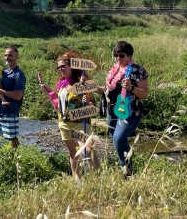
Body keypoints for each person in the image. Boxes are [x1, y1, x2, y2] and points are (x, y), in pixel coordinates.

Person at [39, 52, 99, 181]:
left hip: (80, 122)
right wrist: (46, 88)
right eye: (58, 67)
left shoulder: (81, 83)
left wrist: (88, 102)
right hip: (64, 123)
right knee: (73, 153)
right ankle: (77, 181)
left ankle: (97, 180)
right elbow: (60, 104)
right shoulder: (62, 85)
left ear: (72, 66)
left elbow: (93, 105)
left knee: (88, 150)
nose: (60, 69)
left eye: (63, 66)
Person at [104, 41, 149, 177]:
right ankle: (125, 169)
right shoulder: (114, 70)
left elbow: (145, 94)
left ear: (129, 56)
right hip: (113, 112)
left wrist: (131, 87)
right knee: (117, 141)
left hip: (131, 113)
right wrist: (90, 86)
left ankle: (127, 171)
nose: (118, 59)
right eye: (115, 55)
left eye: (121, 56)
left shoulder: (138, 71)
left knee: (118, 138)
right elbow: (107, 90)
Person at [0, 46, 26, 148]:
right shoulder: (3, 72)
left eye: (10, 55)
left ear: (17, 57)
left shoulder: (19, 75)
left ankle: (16, 161)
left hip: (10, 112)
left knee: (12, 140)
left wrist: (0, 91)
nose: (7, 57)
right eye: (5, 55)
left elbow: (18, 96)